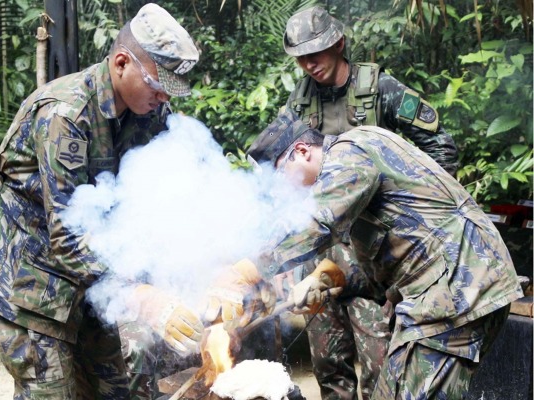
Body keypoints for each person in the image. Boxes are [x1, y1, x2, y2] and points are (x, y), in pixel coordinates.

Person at [0, 4, 203, 399]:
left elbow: (161, 201)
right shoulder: (66, 114)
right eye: (158, 85)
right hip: (32, 287)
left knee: (116, 391)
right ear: (121, 63)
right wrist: (143, 297)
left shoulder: (150, 113)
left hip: (92, 282)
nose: (163, 97)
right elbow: (69, 236)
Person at [210, 111, 523, 399]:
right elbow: (383, 264)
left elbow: (317, 222)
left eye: (279, 178)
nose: (283, 192)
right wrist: (331, 280)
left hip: (454, 290)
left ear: (302, 151)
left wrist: (245, 271)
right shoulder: (349, 179)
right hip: (444, 294)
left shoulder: (352, 149)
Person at [271, 5, 461, 398]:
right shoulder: (300, 102)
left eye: (316, 53)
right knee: (328, 361)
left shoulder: (381, 90)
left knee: (379, 359)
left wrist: (416, 218)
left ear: (338, 44)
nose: (309, 64)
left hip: (374, 250)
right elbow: (276, 160)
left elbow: (440, 145)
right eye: (301, 57)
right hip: (322, 244)